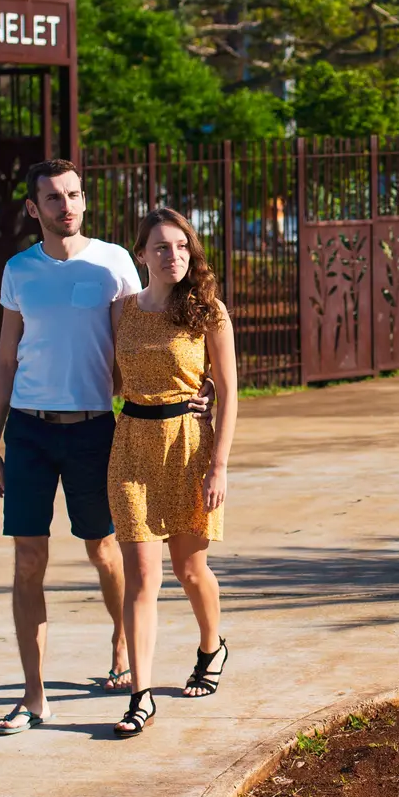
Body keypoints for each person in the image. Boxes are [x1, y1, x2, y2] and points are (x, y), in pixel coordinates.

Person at [0, 160, 207, 736]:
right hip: (29, 431)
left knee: (104, 551)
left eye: (74, 195)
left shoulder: (114, 265)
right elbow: (5, 359)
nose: (66, 206)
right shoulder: (18, 271)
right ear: (34, 208)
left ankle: (121, 640)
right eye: (53, 198)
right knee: (28, 560)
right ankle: (33, 697)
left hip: (95, 431)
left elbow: (150, 340)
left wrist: (195, 390)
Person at [109, 207, 240, 737]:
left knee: (189, 571)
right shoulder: (121, 310)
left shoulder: (208, 311)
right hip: (131, 446)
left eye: (182, 246)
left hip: (189, 447)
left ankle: (213, 647)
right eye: (162, 247)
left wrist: (220, 466)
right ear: (141, 254)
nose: (174, 256)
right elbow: (112, 380)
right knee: (142, 575)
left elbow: (229, 391)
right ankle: (141, 696)